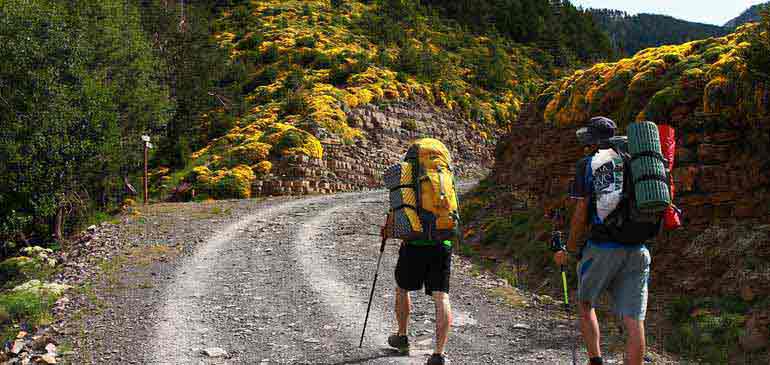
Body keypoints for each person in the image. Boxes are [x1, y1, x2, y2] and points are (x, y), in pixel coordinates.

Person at [554, 116, 652, 365]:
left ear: (591, 141)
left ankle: (595, 360)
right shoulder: (636, 163)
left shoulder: (588, 165)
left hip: (602, 248)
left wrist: (571, 250)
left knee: (586, 304)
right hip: (638, 248)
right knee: (633, 321)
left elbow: (581, 213)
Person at [381, 205, 454, 365]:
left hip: (414, 243)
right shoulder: (445, 178)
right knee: (441, 296)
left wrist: (389, 228)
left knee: (402, 289)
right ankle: (438, 354)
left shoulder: (408, 178)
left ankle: (402, 336)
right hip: (443, 242)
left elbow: (398, 206)